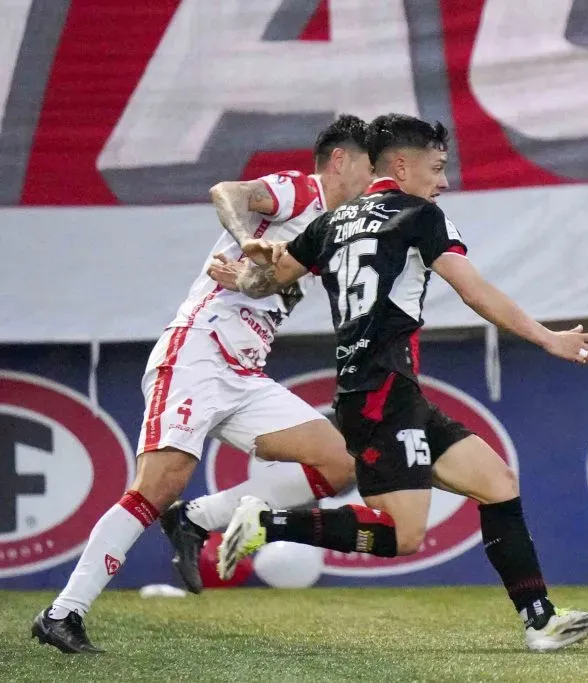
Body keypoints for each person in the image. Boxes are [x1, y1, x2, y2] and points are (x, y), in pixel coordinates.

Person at [216, 113, 588, 651]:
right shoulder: (419, 215)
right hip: (383, 395)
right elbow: (474, 290)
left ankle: (539, 621)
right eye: (437, 167)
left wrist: (239, 273)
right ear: (401, 165)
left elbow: (265, 282)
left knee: (498, 484)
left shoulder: (329, 223)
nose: (443, 182)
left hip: (385, 391)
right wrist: (548, 338)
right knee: (403, 536)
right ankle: (269, 520)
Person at [31, 115, 374, 654]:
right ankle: (62, 613)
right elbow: (227, 191)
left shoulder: (331, 234)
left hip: (245, 373)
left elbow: (278, 285)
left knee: (342, 462)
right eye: (368, 166)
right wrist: (244, 243)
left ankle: (196, 519)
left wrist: (254, 275)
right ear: (341, 161)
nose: (372, 180)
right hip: (198, 351)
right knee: (159, 483)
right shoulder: (300, 190)